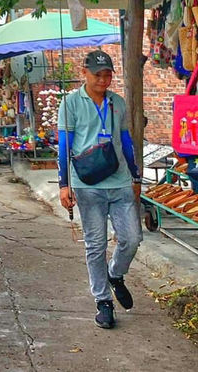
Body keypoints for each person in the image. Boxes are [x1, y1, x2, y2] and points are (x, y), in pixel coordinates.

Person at [57, 50, 142, 330]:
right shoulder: (70, 103)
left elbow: (126, 141)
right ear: (85, 72)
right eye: (98, 75)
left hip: (119, 181)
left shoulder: (117, 103)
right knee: (95, 245)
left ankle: (115, 274)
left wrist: (136, 175)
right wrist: (64, 184)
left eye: (108, 75)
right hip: (87, 183)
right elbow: (65, 146)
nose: (104, 80)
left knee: (131, 237)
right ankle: (103, 300)